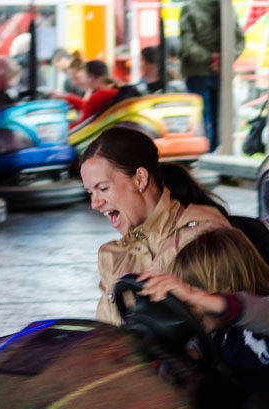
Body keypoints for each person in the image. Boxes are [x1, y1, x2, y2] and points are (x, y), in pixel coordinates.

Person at [80, 126, 233, 325]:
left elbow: (223, 330)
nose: (95, 203)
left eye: (103, 188)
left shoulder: (203, 234)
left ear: (140, 179)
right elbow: (106, 333)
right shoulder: (113, 256)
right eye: (91, 193)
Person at [139, 228, 269, 409]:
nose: (191, 309)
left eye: (194, 297)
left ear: (226, 289)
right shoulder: (215, 332)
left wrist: (199, 298)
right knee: (204, 390)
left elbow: (257, 312)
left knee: (260, 407)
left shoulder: (258, 313)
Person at [179, 0, 245, 151]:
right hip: (222, 72)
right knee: (221, 119)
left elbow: (187, 43)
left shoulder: (190, 7)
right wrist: (224, 59)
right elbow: (239, 40)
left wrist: (210, 58)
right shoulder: (227, 7)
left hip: (197, 72)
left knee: (202, 119)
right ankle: (217, 153)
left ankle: (205, 154)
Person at [52, 60, 118, 124]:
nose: (85, 81)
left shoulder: (99, 96)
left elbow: (81, 124)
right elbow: (86, 105)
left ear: (92, 77)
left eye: (86, 77)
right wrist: (66, 97)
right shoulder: (114, 91)